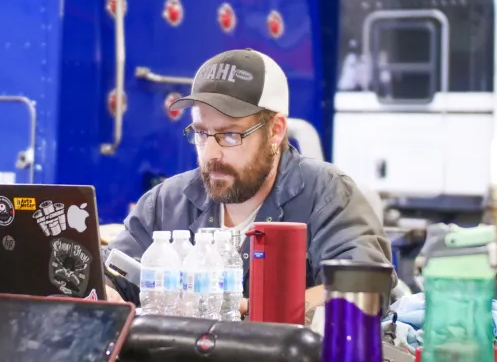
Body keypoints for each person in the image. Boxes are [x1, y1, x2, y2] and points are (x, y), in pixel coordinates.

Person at [106, 49, 391, 319]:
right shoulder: (167, 202)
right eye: (202, 133)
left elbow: (365, 285)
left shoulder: (328, 195)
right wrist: (105, 293)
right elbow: (111, 271)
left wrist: (256, 309)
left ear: (276, 130)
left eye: (230, 135)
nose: (211, 154)